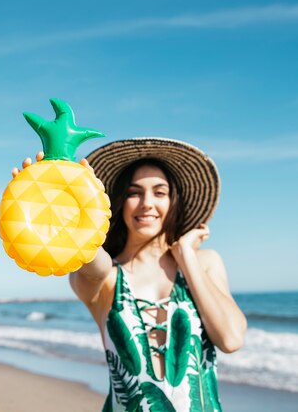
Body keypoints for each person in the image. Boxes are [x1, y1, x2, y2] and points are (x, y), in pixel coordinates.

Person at [13, 138, 247, 412]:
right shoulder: (108, 277)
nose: (147, 203)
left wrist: (186, 255)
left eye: (160, 193)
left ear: (173, 202)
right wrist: (66, 211)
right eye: (134, 193)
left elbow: (230, 339)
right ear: (120, 202)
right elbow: (91, 260)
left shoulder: (205, 263)